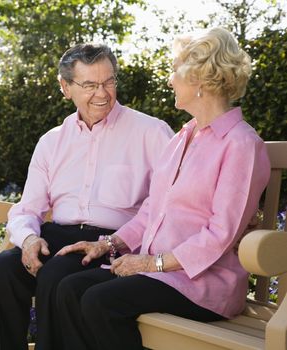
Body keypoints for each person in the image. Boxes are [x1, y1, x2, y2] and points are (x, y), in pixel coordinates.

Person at [55, 27, 271, 350]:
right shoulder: (181, 138)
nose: (170, 80)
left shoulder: (241, 144)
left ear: (199, 80)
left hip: (204, 285)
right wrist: (109, 243)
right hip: (160, 273)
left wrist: (148, 263)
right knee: (69, 289)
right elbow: (150, 212)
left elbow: (219, 235)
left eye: (174, 71)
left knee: (100, 302)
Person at [0, 43, 174, 350]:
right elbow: (26, 208)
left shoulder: (151, 132)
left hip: (111, 244)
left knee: (56, 273)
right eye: (89, 85)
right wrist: (29, 240)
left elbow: (166, 203)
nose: (102, 93)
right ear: (65, 87)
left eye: (108, 82)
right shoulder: (51, 142)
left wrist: (117, 242)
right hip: (57, 236)